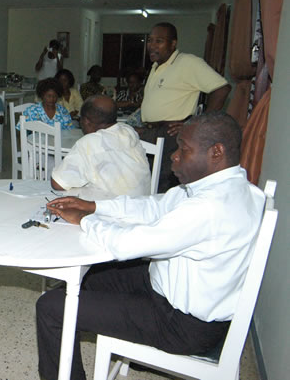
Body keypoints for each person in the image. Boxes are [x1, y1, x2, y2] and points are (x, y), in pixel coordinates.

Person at [38, 112, 264, 380]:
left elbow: (126, 244)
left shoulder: (210, 208)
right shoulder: (232, 187)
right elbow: (153, 206)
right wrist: (94, 206)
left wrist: (85, 220)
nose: (174, 156)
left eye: (184, 149)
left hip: (182, 324)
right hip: (169, 287)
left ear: (216, 152)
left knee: (52, 307)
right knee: (87, 279)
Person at [138, 22, 231, 193]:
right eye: (150, 41)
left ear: (173, 44)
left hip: (171, 133)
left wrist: (199, 125)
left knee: (164, 186)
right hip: (151, 132)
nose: (152, 46)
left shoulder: (188, 62)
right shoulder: (156, 66)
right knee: (147, 183)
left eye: (159, 41)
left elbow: (222, 88)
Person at [51, 95, 150, 197]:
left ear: (86, 121)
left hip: (113, 208)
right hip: (141, 204)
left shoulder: (89, 142)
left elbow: (57, 184)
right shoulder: (128, 130)